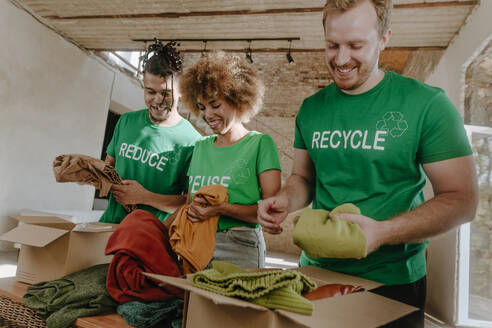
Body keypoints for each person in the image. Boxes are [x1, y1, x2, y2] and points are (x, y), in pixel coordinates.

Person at [257, 0, 478, 327]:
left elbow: (462, 201)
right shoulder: (312, 109)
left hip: (392, 281)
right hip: (315, 274)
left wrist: (384, 232)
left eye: (356, 45)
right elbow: (303, 177)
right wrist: (285, 200)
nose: (341, 59)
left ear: (384, 38)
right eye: (332, 45)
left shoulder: (426, 105)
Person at [178, 51, 282, 269]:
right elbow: (189, 202)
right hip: (196, 242)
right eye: (202, 107)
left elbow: (270, 210)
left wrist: (221, 209)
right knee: (193, 304)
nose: (208, 115)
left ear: (237, 98)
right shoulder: (200, 147)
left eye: (215, 105)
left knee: (233, 304)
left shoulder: (260, 144)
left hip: (239, 245)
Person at [99, 40, 202, 224]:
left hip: (150, 238)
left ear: (181, 92)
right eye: (150, 91)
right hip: (109, 227)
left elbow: (188, 205)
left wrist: (144, 197)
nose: (157, 100)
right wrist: (86, 172)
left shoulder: (193, 142)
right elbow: (107, 170)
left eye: (166, 93)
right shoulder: (126, 121)